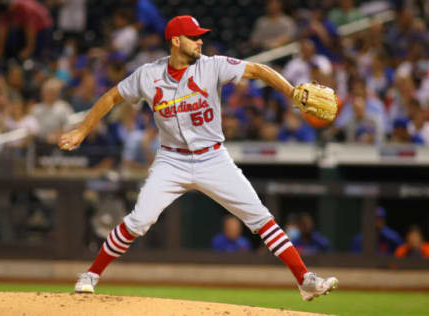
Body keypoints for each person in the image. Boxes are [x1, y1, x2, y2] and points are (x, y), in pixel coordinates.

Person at [59, 15, 338, 301]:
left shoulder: (212, 66)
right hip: (171, 161)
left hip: (212, 158)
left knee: (261, 218)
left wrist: (291, 91)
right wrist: (82, 130)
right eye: (194, 37)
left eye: (200, 36)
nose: (200, 40)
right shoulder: (147, 75)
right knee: (138, 221)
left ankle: (304, 280)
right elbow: (111, 97)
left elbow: (258, 70)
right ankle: (90, 274)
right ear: (176, 41)